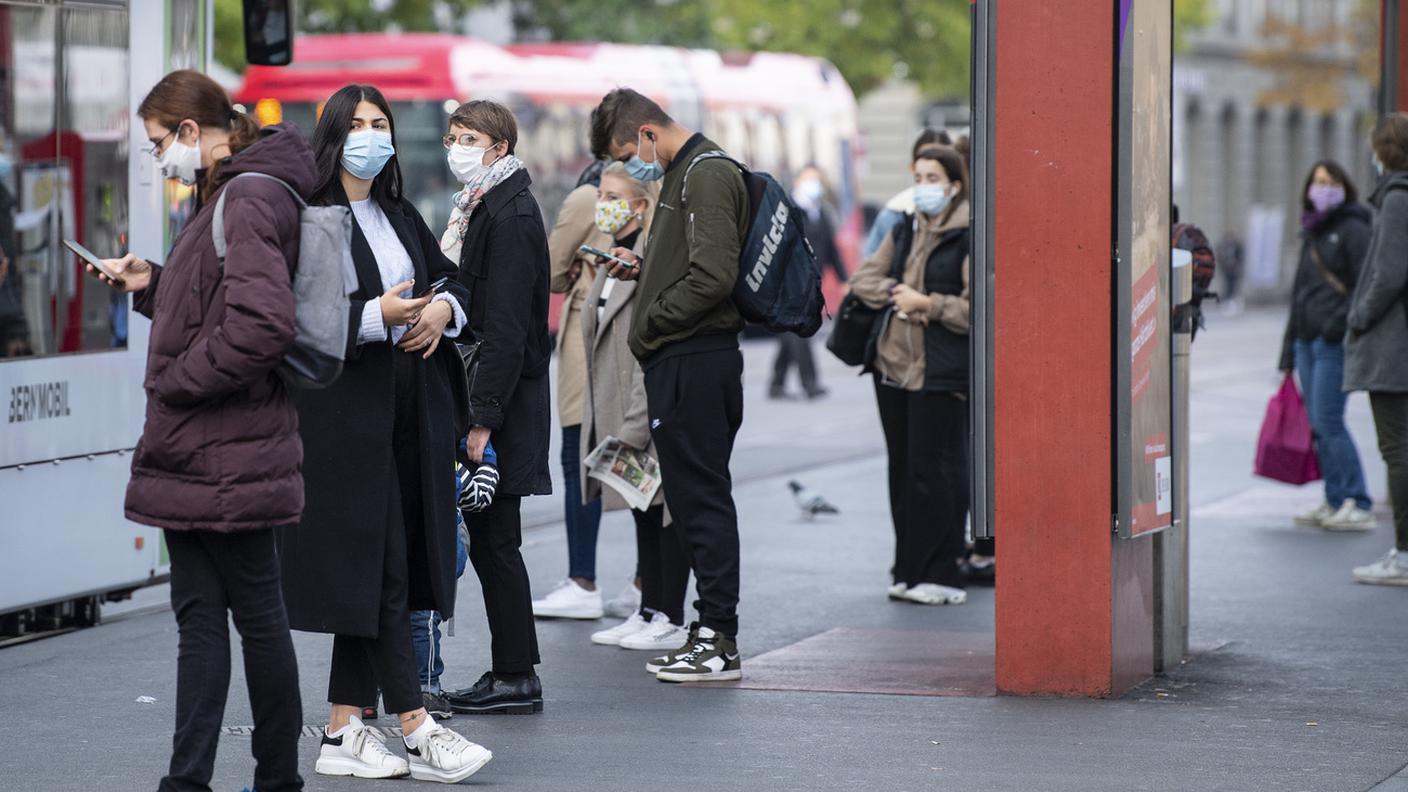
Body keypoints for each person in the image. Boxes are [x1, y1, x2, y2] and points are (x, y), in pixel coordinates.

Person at [90, 69, 307, 792]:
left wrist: (177, 384)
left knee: (232, 620)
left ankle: (230, 780)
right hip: (220, 448)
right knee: (235, 618)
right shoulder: (231, 191)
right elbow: (218, 307)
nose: (158, 161)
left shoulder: (242, 197)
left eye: (159, 144)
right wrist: (151, 281)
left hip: (220, 445)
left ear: (191, 131)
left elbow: (259, 326)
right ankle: (234, 780)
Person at [276, 84, 492, 784]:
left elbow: (454, 283)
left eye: (382, 124)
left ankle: (343, 728)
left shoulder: (397, 212)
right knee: (387, 570)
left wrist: (441, 313)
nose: (372, 135)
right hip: (347, 425)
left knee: (378, 573)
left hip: (411, 417)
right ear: (334, 134)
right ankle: (415, 723)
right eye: (359, 124)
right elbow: (306, 324)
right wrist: (382, 314)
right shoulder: (317, 219)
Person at [589, 87, 748, 682]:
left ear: (649, 133)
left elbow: (712, 277)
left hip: (696, 359)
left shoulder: (703, 175)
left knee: (700, 500)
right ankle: (708, 632)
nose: (632, 166)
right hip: (683, 358)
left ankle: (718, 638)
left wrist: (650, 321)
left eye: (629, 152)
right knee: (689, 497)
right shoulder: (681, 173)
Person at [438, 99, 552, 714]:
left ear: (499, 147)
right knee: (492, 540)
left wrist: (482, 420)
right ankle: (513, 671)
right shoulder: (483, 204)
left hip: (500, 398)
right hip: (496, 392)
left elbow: (507, 327)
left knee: (496, 541)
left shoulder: (509, 214)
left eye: (470, 137)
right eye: (452, 136)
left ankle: (515, 675)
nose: (457, 146)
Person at [848, 145, 972, 607]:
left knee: (936, 470)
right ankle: (907, 568)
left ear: (954, 185)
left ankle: (943, 571)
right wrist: (896, 291)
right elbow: (862, 279)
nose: (924, 186)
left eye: (934, 178)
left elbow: (977, 306)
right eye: (919, 176)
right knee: (902, 468)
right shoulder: (903, 227)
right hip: (892, 365)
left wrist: (929, 305)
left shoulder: (967, 236)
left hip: (940, 368)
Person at [576, 162, 692, 652]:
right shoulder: (610, 257)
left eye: (613, 195)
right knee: (642, 508)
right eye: (601, 194)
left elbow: (650, 343)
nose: (603, 203)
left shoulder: (650, 259)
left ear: (641, 207)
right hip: (614, 401)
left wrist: (635, 422)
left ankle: (669, 613)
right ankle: (649, 610)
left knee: (664, 510)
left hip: (642, 406)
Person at [1278, 160, 1374, 531]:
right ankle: (1335, 499)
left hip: (1332, 342)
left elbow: (1366, 283)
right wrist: (1288, 351)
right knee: (1318, 423)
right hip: (1306, 340)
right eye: (1318, 181)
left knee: (1329, 420)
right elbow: (1299, 295)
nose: (1324, 188)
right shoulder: (1311, 231)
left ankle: (1358, 500)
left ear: (1344, 186)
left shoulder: (1352, 228)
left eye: (1331, 181)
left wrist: (1338, 326)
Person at [534, 161, 609, 620]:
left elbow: (552, 269)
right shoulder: (653, 187)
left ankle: (583, 580)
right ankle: (646, 587)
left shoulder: (587, 196)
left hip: (588, 337)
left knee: (577, 458)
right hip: (629, 338)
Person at [1347, 113, 1408, 586]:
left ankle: (1404, 554)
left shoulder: (1397, 200)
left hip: (1395, 347)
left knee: (1397, 450)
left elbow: (1388, 273)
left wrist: (1360, 315)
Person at [770, 164, 843, 401]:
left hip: (810, 281)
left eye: (818, 180)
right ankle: (810, 383)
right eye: (810, 179)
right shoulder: (785, 208)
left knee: (789, 333)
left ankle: (776, 383)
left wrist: (843, 279)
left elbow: (830, 248)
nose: (815, 185)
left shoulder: (820, 211)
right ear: (799, 180)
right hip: (788, 282)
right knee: (799, 330)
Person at [862, 128, 951, 258]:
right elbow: (869, 270)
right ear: (912, 168)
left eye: (933, 176)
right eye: (920, 175)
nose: (930, 166)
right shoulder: (894, 214)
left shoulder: (969, 215)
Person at [1216, 226, 1245, 314]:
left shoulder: (1237, 245)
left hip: (1234, 269)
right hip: (1226, 269)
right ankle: (1225, 303)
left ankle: (1233, 303)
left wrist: (1236, 265)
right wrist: (1224, 265)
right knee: (1226, 286)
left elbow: (1241, 256)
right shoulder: (1222, 245)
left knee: (1234, 285)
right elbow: (1219, 256)